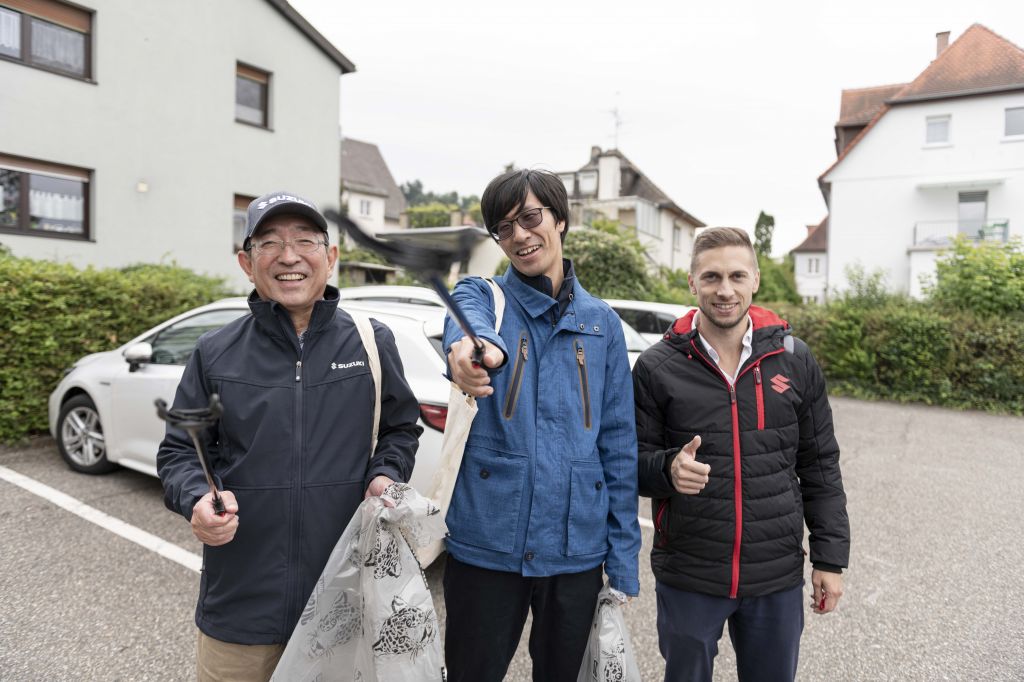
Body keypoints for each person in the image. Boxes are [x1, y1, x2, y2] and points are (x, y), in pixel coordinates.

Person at [157, 191, 422, 682]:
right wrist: (196, 498)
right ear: (247, 262)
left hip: (342, 599)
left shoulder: (371, 342)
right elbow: (179, 451)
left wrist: (385, 473)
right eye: (270, 243)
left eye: (305, 241)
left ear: (331, 257)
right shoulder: (215, 351)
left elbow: (400, 429)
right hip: (240, 606)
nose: (289, 256)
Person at [442, 168, 641, 682]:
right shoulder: (486, 297)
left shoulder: (602, 324)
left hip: (576, 549)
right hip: (487, 541)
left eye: (530, 217)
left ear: (560, 220)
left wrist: (623, 557)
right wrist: (473, 350)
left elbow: (619, 446)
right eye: (504, 228)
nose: (520, 235)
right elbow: (465, 319)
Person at [632, 227, 850, 682]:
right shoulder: (656, 367)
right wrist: (667, 469)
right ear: (692, 282)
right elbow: (629, 463)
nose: (725, 290)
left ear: (756, 280)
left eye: (736, 276)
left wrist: (829, 559)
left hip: (775, 573)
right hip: (690, 572)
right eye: (711, 277)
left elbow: (820, 464)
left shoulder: (795, 359)